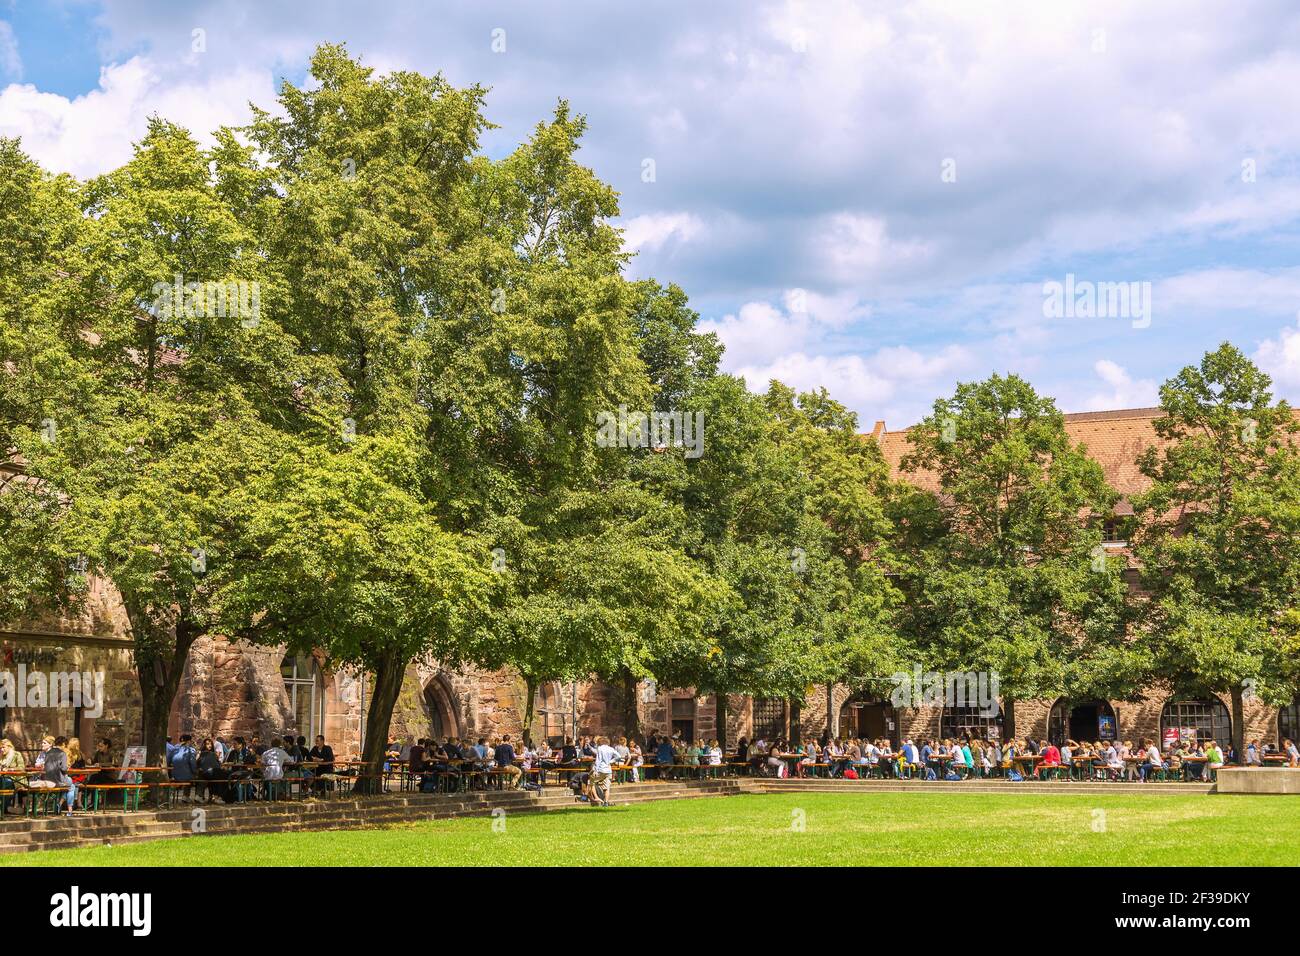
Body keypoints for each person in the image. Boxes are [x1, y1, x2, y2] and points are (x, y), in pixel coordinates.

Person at [43, 735, 76, 813]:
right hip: (57, 780)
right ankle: (68, 809)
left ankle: (60, 804)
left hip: (47, 779)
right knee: (71, 785)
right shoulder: (62, 753)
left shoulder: (49, 752)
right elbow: (63, 769)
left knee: (69, 785)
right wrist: (67, 767)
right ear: (64, 744)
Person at [588, 735, 619, 807]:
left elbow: (598, 760)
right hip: (608, 770)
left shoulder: (600, 748)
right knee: (607, 787)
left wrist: (595, 770)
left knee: (591, 781)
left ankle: (595, 798)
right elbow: (619, 756)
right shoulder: (611, 748)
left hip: (601, 769)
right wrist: (611, 761)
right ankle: (606, 802)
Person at [0, 738, 27, 815]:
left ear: (9, 747)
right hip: (4, 778)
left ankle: (5, 807)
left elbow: (21, 768)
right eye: (0, 748)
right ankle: (5, 807)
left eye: (3, 747)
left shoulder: (16, 754)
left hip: (17, 779)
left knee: (6, 783)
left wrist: (9, 769)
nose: (2, 749)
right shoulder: (2, 756)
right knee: (4, 783)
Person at [197, 738, 227, 803]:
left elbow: (218, 764)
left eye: (210, 744)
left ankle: (214, 797)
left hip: (211, 773)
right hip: (205, 773)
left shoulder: (213, 754)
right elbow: (197, 763)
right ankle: (216, 797)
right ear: (204, 745)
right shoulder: (201, 753)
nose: (209, 745)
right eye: (207, 744)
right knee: (220, 775)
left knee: (220, 775)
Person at [170, 734, 198, 802]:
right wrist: (195, 772)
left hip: (174, 774)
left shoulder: (174, 749)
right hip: (186, 776)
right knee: (194, 776)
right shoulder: (191, 750)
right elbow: (193, 763)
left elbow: (169, 760)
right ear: (189, 741)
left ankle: (172, 794)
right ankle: (186, 796)